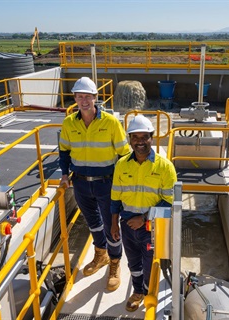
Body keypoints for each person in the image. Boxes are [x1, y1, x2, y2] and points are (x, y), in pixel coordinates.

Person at [58, 77, 130, 291]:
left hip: (106, 184)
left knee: (111, 226)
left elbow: (124, 154)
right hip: (80, 183)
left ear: (95, 98)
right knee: (93, 222)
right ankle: (101, 255)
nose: (83, 100)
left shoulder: (110, 122)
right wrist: (64, 174)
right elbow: (64, 151)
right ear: (75, 99)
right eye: (79, 96)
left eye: (87, 96)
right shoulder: (69, 123)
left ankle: (115, 262)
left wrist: (123, 182)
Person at [110, 114, 177, 312]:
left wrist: (145, 218)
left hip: (152, 227)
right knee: (133, 263)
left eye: (144, 137)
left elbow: (169, 202)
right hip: (127, 225)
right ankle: (138, 291)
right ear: (130, 139)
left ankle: (149, 294)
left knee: (150, 265)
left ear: (152, 138)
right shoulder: (122, 165)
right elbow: (115, 198)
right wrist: (114, 224)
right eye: (135, 137)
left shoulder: (165, 167)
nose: (139, 142)